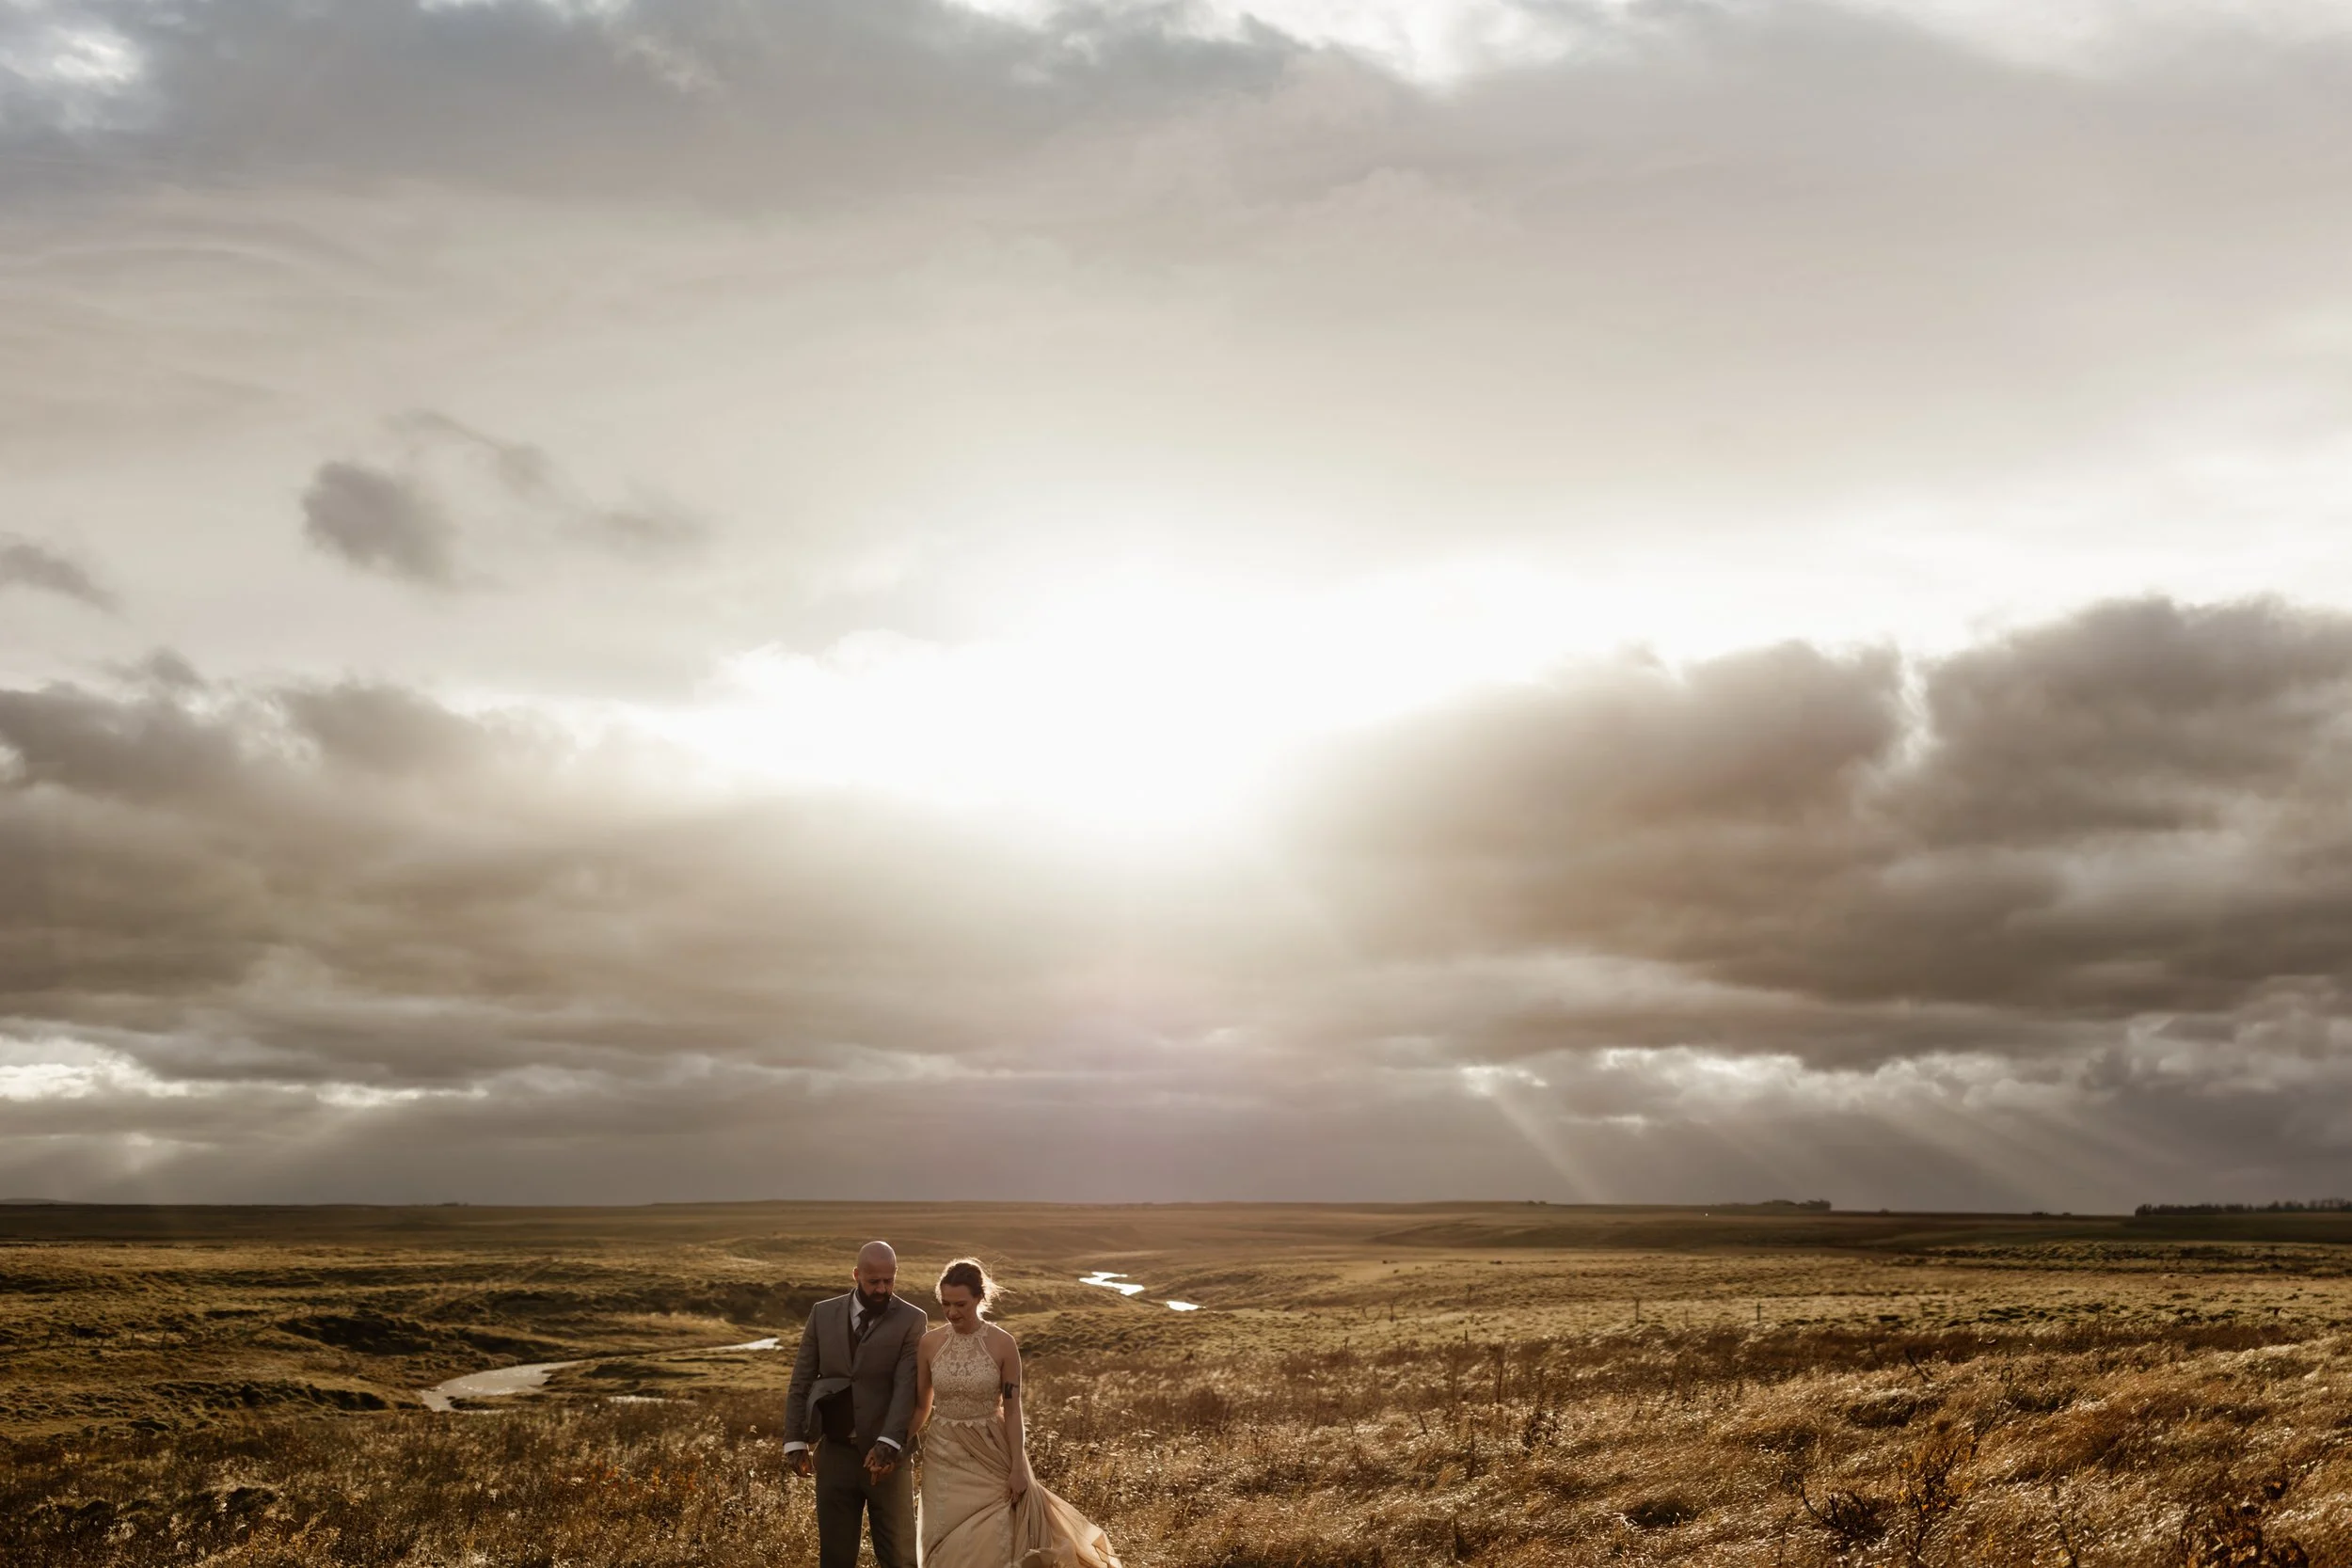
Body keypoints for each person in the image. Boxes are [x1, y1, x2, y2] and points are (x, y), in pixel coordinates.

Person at [913, 1257, 1121, 1568]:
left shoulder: (1002, 1344)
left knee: (994, 1536)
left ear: (979, 1298)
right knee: (941, 1540)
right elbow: (921, 1406)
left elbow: (1012, 1412)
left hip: (992, 1453)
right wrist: (891, 1444)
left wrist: (1017, 1469)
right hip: (942, 1458)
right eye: (945, 1304)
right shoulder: (929, 1344)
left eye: (961, 1304)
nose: (952, 1312)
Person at [784, 1241, 928, 1568]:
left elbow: (907, 1387)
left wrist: (889, 1445)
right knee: (835, 1558)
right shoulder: (822, 1313)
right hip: (833, 1455)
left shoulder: (912, 1319)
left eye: (889, 1280)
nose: (882, 1289)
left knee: (900, 1557)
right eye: (873, 1281)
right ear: (856, 1275)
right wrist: (795, 1440)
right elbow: (801, 1380)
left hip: (888, 1459)